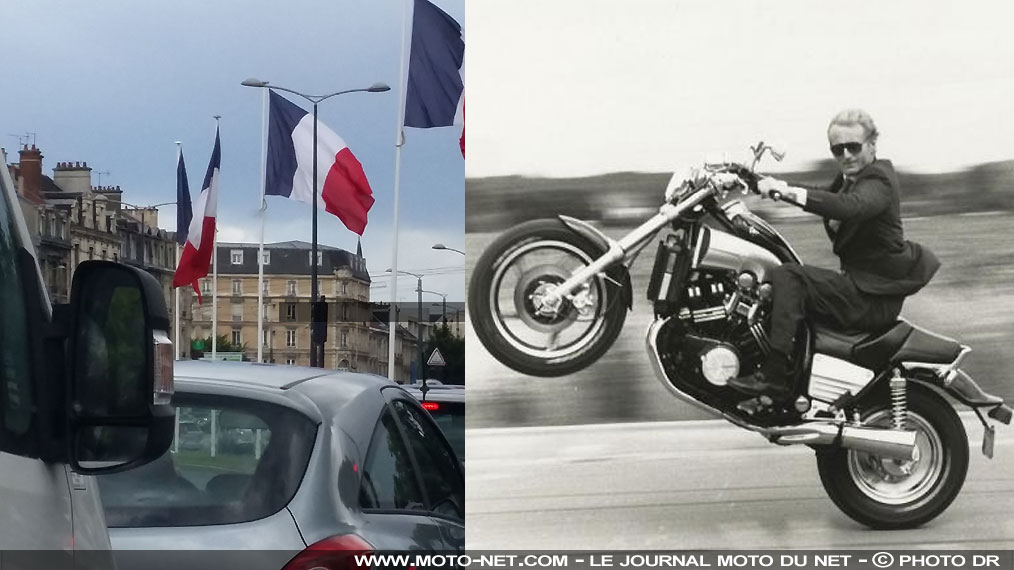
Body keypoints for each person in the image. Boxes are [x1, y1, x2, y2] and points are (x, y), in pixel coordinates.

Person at [728, 109, 940, 400]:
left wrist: (785, 193)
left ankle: (775, 376)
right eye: (837, 149)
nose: (846, 155)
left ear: (872, 144)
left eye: (854, 146)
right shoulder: (849, 179)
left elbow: (849, 206)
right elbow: (823, 194)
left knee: (789, 276)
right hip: (863, 291)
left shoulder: (879, 180)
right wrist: (764, 182)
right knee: (782, 270)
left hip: (872, 299)